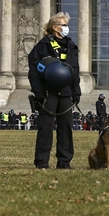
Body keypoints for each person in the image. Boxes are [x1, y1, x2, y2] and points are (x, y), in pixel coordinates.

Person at [28, 11, 81, 169]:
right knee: (45, 128)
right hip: (47, 93)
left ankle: (64, 162)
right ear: (55, 27)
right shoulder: (42, 46)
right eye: (64, 25)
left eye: (66, 25)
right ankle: (42, 162)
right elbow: (34, 71)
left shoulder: (71, 46)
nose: (66, 28)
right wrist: (38, 93)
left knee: (66, 128)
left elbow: (75, 71)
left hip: (65, 93)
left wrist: (76, 92)